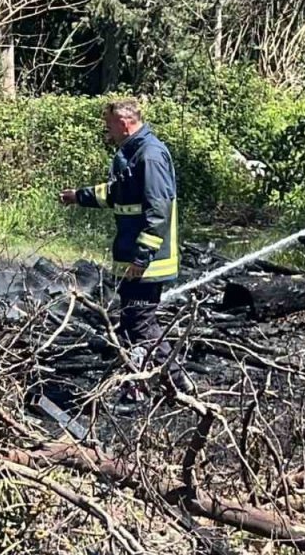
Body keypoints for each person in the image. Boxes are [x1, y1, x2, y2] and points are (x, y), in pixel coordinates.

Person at [59, 99, 190, 396]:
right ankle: (140, 386)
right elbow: (116, 194)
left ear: (124, 122)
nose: (108, 132)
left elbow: (159, 211)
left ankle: (179, 385)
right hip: (134, 259)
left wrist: (142, 258)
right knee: (133, 323)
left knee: (141, 323)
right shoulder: (133, 154)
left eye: (109, 126)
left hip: (147, 263)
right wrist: (78, 197)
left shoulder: (151, 156)